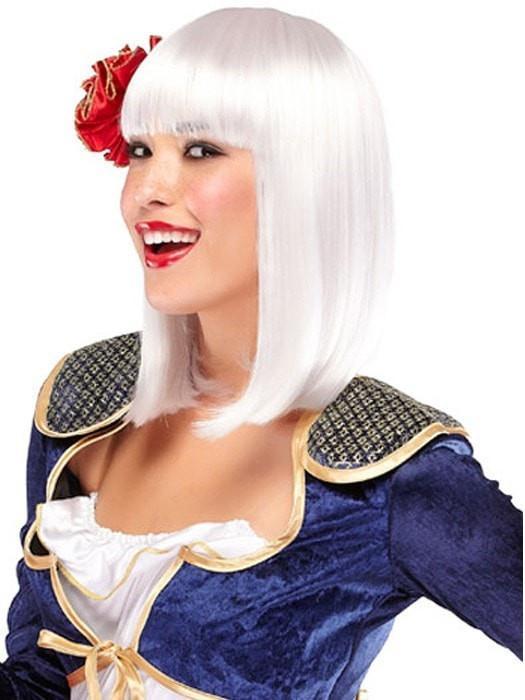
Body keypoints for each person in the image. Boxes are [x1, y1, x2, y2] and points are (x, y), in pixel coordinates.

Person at [0, 7, 522, 699]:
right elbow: (38, 666)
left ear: (305, 180)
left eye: (199, 151)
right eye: (139, 150)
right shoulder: (84, 400)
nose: (145, 192)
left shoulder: (389, 472)